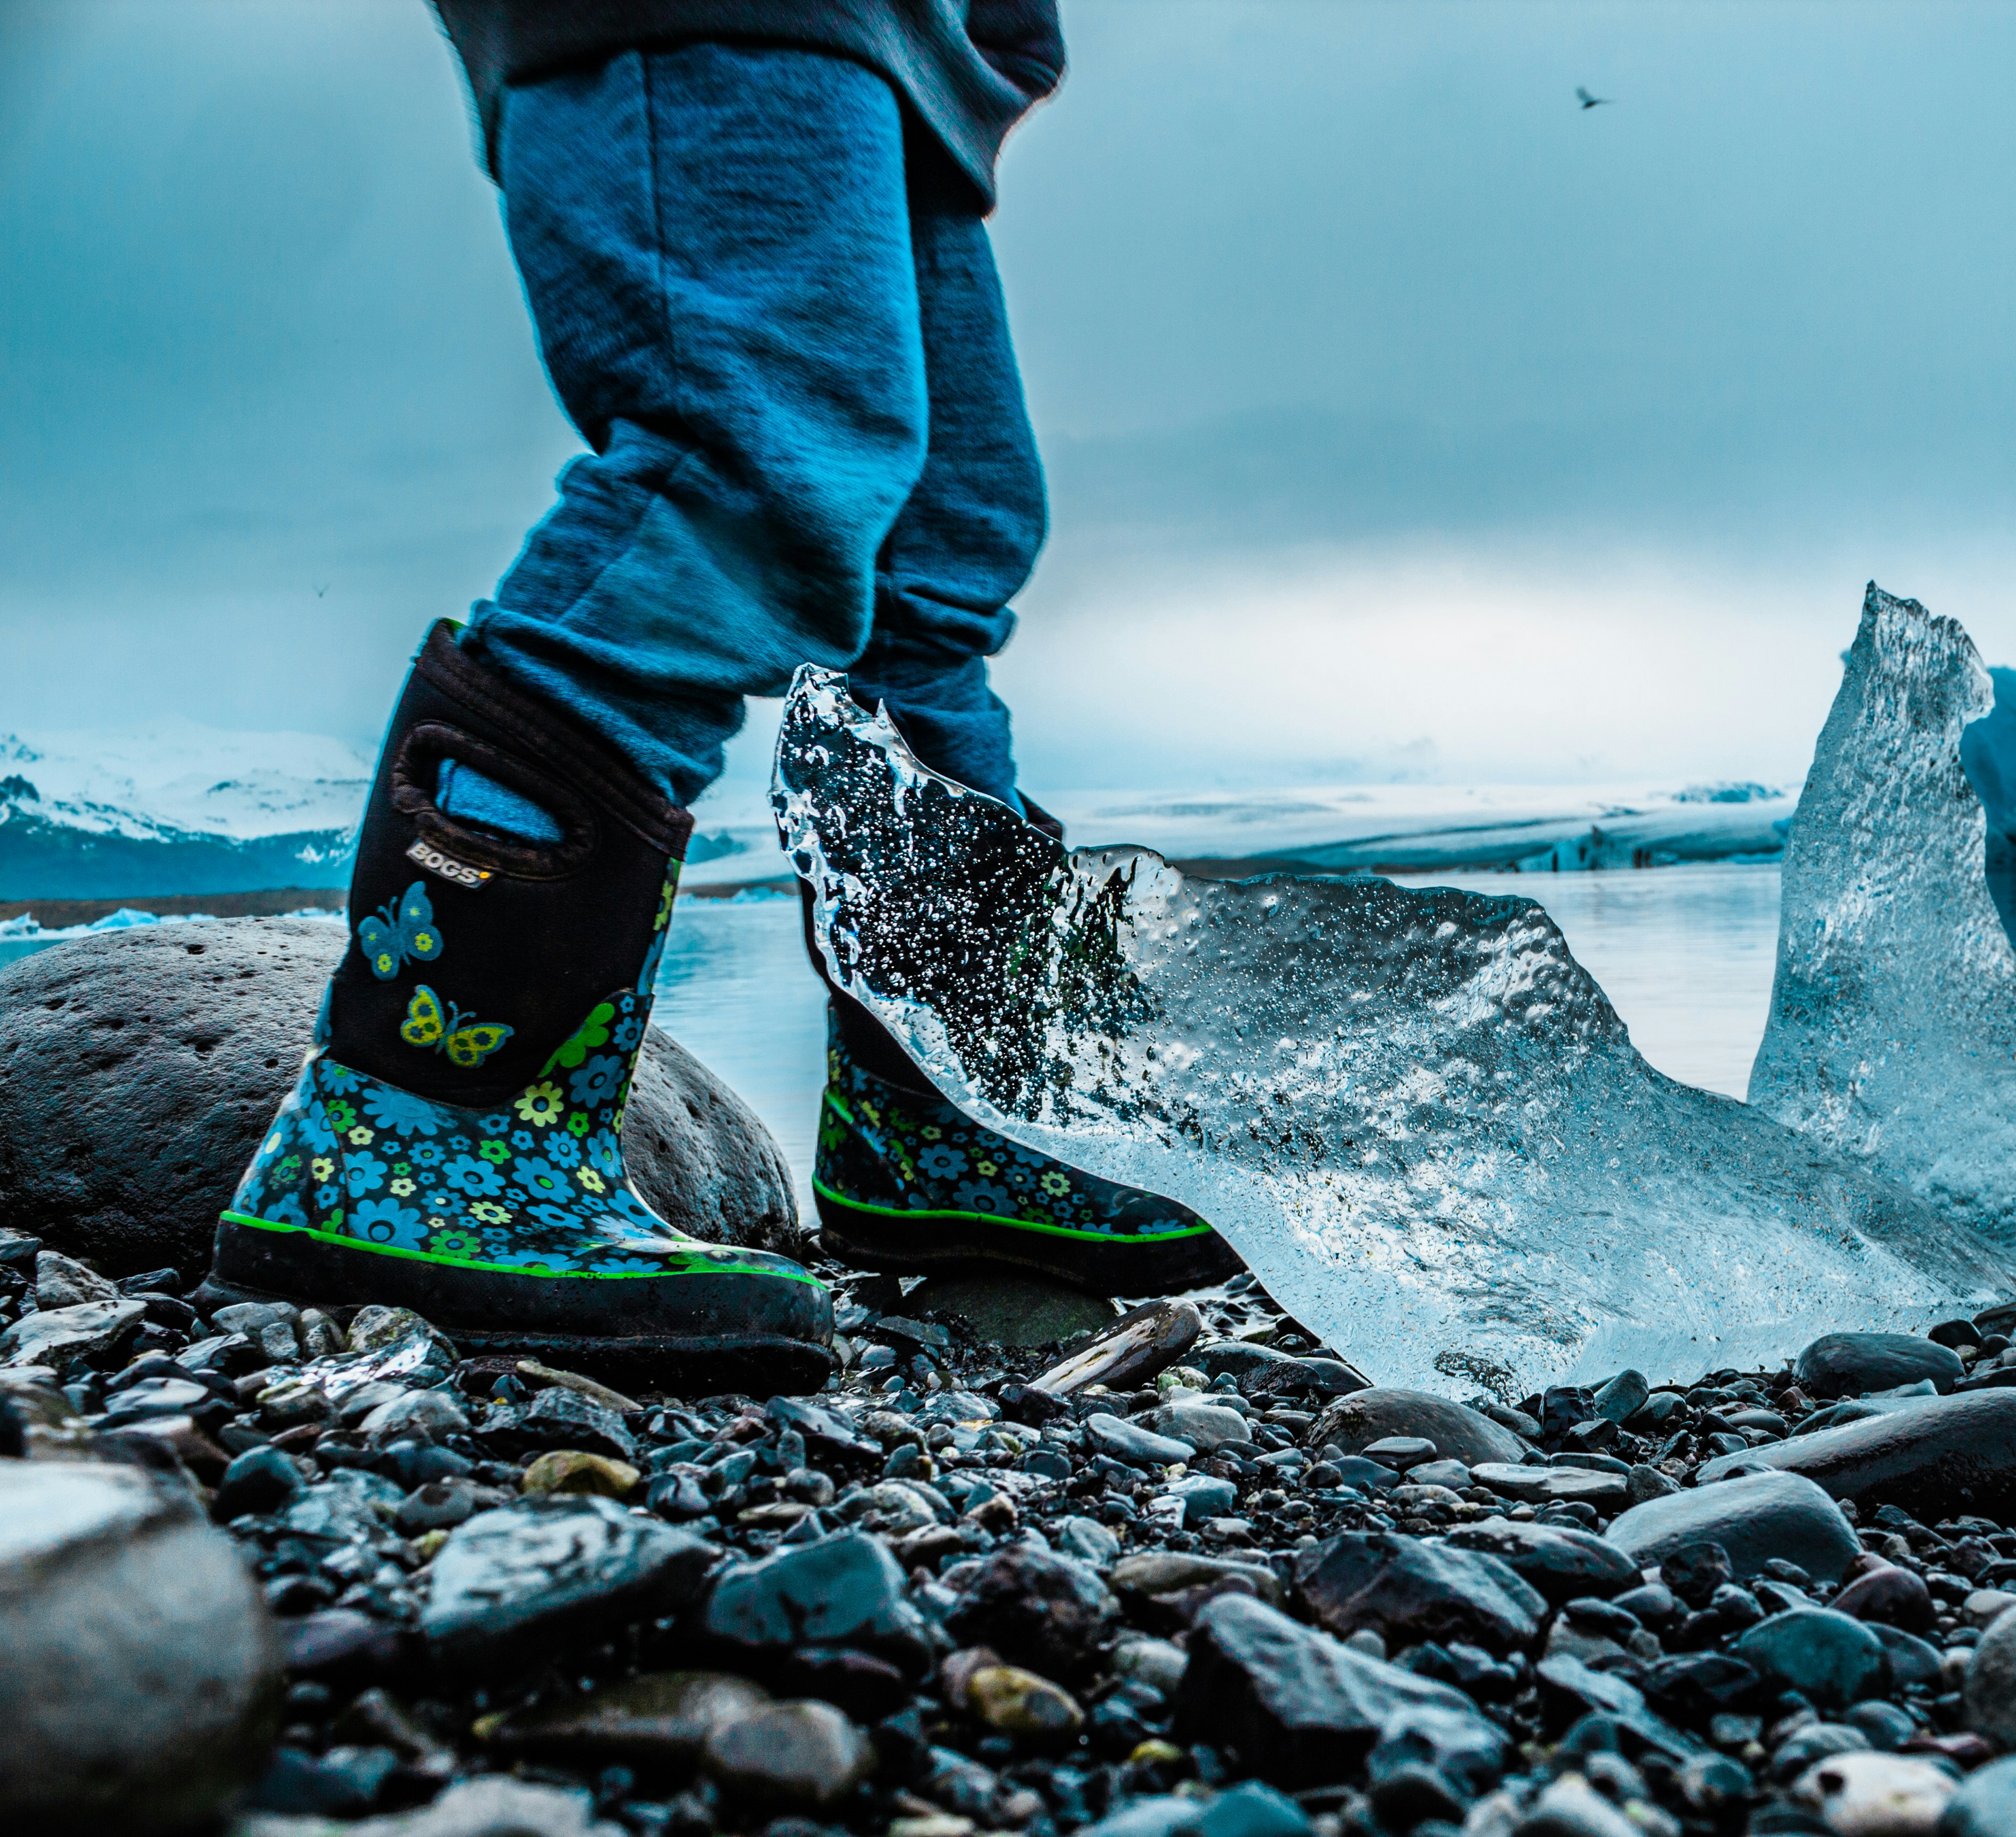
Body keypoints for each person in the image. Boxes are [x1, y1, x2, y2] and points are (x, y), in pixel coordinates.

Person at [196, 3, 1237, 1392]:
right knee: (750, 467)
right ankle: (420, 1127)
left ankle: (939, 1124)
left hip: (902, 47)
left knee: (940, 558)